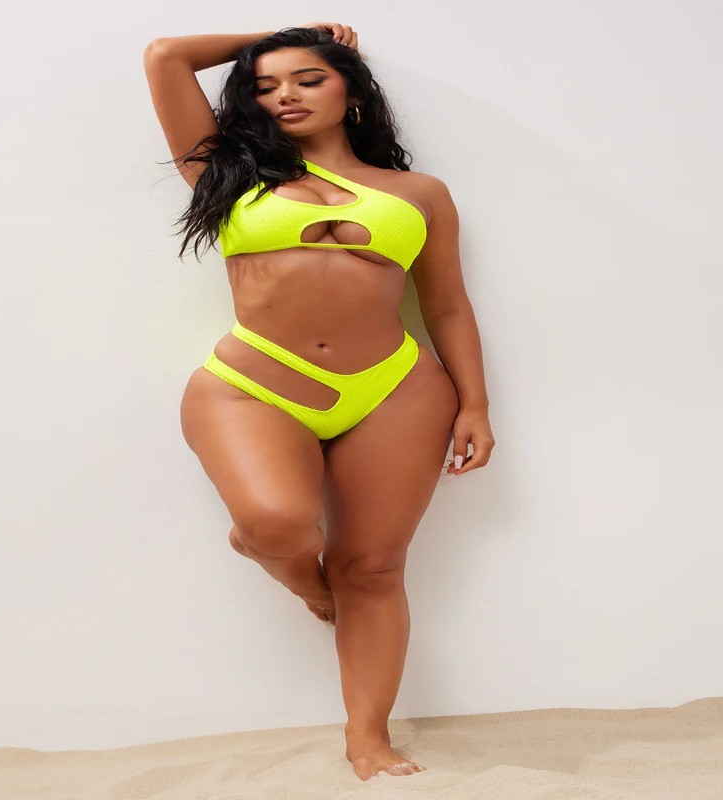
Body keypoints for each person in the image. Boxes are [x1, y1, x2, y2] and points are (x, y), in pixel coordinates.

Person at [143, 22, 495, 781]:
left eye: (308, 78)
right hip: (253, 384)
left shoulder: (420, 194)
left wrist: (475, 405)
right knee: (275, 523)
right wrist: (282, 34)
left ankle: (368, 739)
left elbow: (447, 306)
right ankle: (300, 573)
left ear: (351, 91)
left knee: (373, 568)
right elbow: (167, 56)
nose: (286, 95)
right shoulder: (224, 172)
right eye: (265, 86)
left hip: (395, 388)